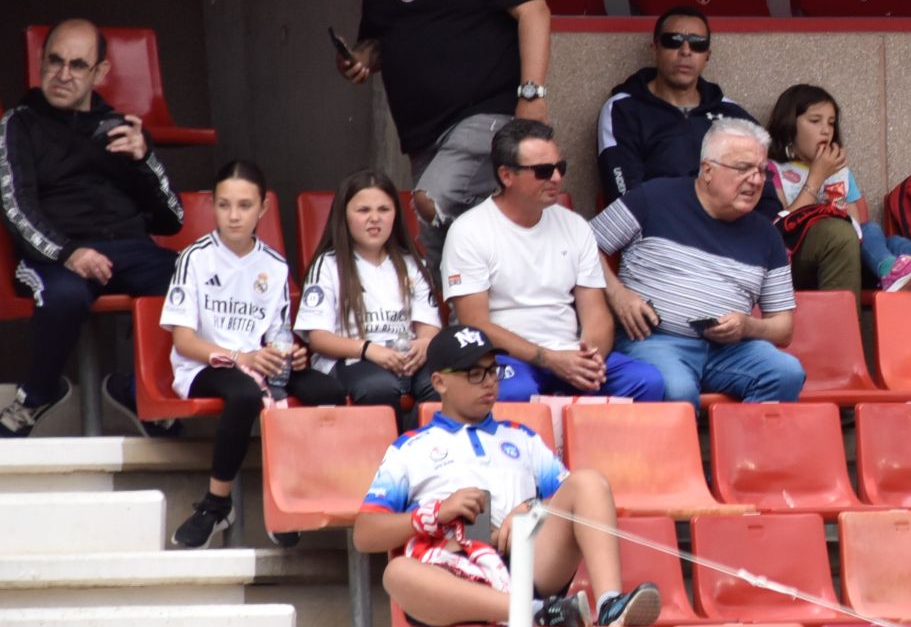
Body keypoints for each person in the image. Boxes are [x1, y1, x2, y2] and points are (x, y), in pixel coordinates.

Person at [353, 323, 660, 627]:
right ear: (440, 382)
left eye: (491, 370)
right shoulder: (409, 448)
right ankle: (537, 613)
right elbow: (365, 534)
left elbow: (571, 497)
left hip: (527, 562)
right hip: (452, 578)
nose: (488, 382)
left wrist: (531, 509)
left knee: (589, 482)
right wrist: (434, 514)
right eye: (474, 373)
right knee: (398, 572)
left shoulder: (522, 437)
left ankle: (610, 605)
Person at [338, 0, 552, 272]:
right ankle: (457, 318)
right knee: (439, 236)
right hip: (422, 132)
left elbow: (534, 11)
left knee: (431, 199)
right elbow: (378, 41)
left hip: (486, 114)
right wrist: (361, 58)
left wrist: (532, 94)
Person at [1, 18, 185, 439]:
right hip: (56, 254)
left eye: (78, 65)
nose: (63, 74)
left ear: (100, 72)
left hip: (128, 247)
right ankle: (37, 395)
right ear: (40, 61)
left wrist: (144, 160)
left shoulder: (120, 127)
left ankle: (142, 391)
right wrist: (69, 253)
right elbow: (16, 208)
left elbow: (171, 219)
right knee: (63, 294)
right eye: (55, 61)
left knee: (184, 276)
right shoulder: (19, 124)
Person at [595, 7, 861, 292]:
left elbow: (766, 197)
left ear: (707, 55)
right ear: (655, 48)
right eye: (674, 40)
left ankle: (842, 336)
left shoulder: (732, 113)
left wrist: (753, 236)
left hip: (742, 241)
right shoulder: (623, 109)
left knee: (837, 235)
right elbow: (625, 195)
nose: (686, 51)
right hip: (670, 243)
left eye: (697, 44)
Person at [163, 160, 344, 549]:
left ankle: (293, 495)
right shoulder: (195, 258)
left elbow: (276, 335)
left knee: (326, 390)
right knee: (244, 394)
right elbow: (184, 342)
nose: (233, 216)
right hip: (206, 364)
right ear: (213, 205)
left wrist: (291, 355)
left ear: (262, 209)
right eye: (225, 205)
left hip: (258, 363)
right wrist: (239, 357)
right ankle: (215, 503)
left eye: (244, 206)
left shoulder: (274, 265)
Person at [440, 119, 663, 404]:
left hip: (570, 353)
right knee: (513, 392)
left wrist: (587, 360)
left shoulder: (575, 226)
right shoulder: (470, 231)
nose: (556, 177)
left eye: (561, 168)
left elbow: (596, 314)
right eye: (543, 171)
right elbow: (476, 325)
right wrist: (548, 359)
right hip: (507, 358)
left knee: (647, 382)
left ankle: (600, 450)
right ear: (506, 175)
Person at [591, 118, 806, 407]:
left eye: (761, 171)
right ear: (707, 170)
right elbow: (580, 245)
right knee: (675, 388)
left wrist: (747, 327)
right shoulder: (653, 198)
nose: (756, 180)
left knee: (787, 373)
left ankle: (743, 452)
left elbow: (783, 327)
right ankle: (684, 453)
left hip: (730, 350)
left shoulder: (767, 234)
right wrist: (617, 294)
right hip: (654, 341)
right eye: (743, 168)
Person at [767, 83, 911, 292]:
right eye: (815, 121)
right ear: (789, 126)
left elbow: (853, 226)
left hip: (848, 261)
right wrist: (816, 177)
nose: (826, 130)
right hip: (800, 263)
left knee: (891, 241)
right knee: (871, 233)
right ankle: (892, 269)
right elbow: (780, 230)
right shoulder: (773, 170)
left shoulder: (840, 172)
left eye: (831, 122)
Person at [295, 169, 443, 425]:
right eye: (363, 210)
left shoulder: (413, 263)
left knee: (443, 384)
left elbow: (428, 326)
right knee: (379, 387)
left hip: (405, 357)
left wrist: (424, 344)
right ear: (344, 215)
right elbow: (318, 339)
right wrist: (369, 350)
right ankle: (383, 462)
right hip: (352, 357)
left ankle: (431, 458)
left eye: (384, 210)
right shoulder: (327, 265)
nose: (374, 218)